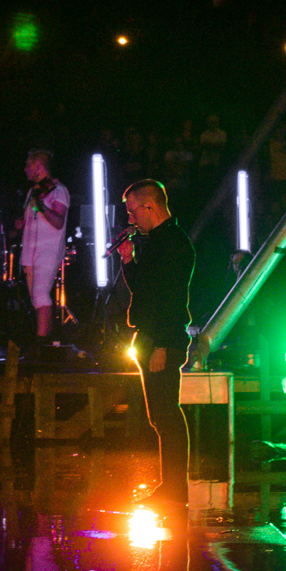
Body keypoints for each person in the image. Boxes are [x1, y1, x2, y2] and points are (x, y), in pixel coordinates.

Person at [116, 179, 195, 513]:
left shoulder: (174, 243)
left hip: (162, 339)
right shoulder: (156, 243)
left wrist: (162, 344)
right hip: (151, 337)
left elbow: (171, 298)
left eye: (134, 210)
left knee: (166, 414)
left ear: (150, 205)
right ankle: (172, 486)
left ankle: (176, 488)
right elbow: (144, 290)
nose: (132, 218)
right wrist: (128, 260)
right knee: (160, 416)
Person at [18, 150, 69, 340]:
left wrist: (41, 206)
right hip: (30, 251)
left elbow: (58, 222)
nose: (25, 169)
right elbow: (31, 220)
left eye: (28, 165)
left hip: (48, 250)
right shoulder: (34, 191)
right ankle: (45, 341)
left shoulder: (58, 190)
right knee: (35, 299)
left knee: (40, 295)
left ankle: (41, 343)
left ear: (38, 165)